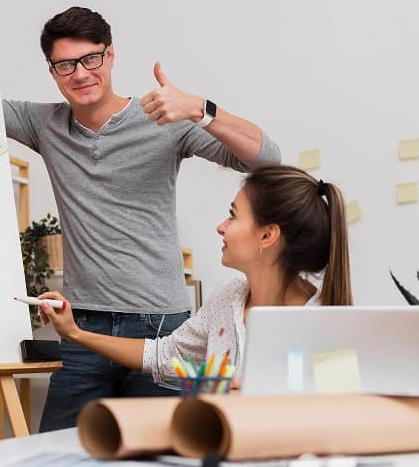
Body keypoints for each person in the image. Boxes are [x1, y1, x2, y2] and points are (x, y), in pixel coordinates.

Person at [0, 6, 281, 430]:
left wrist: (198, 108)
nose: (80, 73)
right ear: (52, 70)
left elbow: (266, 159)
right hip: (84, 327)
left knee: (161, 453)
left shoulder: (163, 117)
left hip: (162, 327)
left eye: (91, 59)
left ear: (111, 56)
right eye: (66, 65)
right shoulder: (44, 123)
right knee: (57, 454)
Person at [38, 164, 353, 387]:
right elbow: (165, 354)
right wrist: (76, 333)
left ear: (267, 236)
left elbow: (346, 417)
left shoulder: (324, 321)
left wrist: (261, 400)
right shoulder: (228, 298)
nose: (221, 226)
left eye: (233, 215)